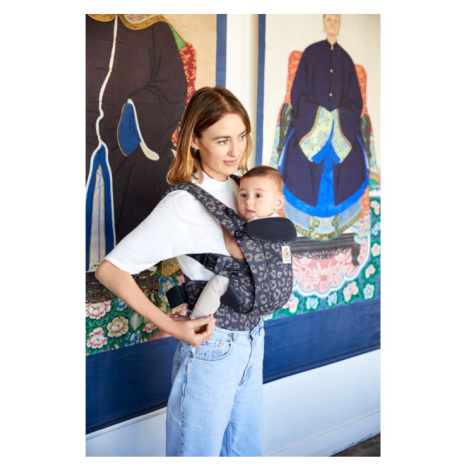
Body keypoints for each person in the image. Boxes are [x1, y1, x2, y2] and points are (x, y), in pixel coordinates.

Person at [95, 87, 267, 456]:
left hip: (253, 338)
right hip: (214, 344)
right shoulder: (182, 204)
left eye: (241, 136)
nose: (236, 151)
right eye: (222, 140)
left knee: (244, 455)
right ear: (194, 141)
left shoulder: (242, 189)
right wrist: (172, 326)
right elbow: (110, 271)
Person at [278, 14, 369, 239]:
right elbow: (299, 93)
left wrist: (337, 118)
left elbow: (355, 101)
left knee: (352, 160)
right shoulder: (311, 53)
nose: (332, 25)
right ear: (323, 23)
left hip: (343, 128)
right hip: (310, 124)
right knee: (299, 158)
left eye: (336, 21)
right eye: (329, 20)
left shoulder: (345, 59)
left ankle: (340, 220)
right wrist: (321, 119)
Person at [190, 166, 285, 320]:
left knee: (220, 282)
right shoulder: (279, 225)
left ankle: (197, 320)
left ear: (278, 202)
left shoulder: (261, 225)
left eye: (258, 195)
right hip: (269, 290)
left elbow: (239, 252)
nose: (249, 201)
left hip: (254, 290)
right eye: (243, 195)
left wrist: (224, 223)